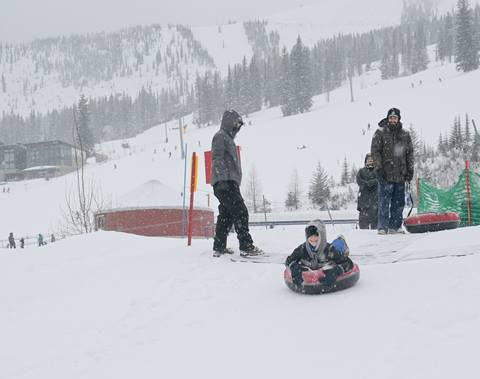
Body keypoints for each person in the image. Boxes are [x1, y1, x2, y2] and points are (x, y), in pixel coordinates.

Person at [211, 109, 262, 257]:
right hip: (224, 182)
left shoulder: (228, 138)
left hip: (227, 181)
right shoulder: (220, 137)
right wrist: (222, 180)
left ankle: (219, 247)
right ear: (229, 122)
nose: (237, 128)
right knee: (240, 212)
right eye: (235, 124)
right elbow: (217, 158)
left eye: (239, 125)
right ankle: (246, 246)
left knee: (226, 215)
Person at [371, 108, 414, 235]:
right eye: (391, 117)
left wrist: (410, 170)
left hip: (400, 174)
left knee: (398, 202)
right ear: (388, 118)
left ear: (399, 119)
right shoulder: (380, 133)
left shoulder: (405, 134)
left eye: (395, 118)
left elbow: (409, 153)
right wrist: (378, 168)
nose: (393, 120)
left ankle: (395, 226)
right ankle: (382, 227)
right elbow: (375, 151)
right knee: (384, 201)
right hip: (385, 174)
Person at [285, 220, 353, 286]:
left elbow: (348, 263)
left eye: (316, 235)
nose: (313, 238)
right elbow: (289, 260)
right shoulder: (302, 249)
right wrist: (294, 267)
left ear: (321, 236)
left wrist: (336, 271)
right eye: (310, 236)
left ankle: (341, 239)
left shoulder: (330, 250)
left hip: (333, 252)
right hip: (315, 265)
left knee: (339, 246)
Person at [356, 153, 378, 229]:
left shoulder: (378, 170)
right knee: (363, 225)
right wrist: (366, 183)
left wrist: (371, 183)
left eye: (372, 159)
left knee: (375, 226)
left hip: (375, 200)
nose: (370, 161)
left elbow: (380, 180)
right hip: (363, 202)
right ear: (365, 161)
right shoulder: (361, 171)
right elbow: (359, 180)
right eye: (368, 159)